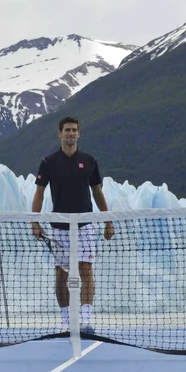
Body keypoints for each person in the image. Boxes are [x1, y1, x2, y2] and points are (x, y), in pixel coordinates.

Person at [31, 116, 114, 335]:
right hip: (59, 227)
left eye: (74, 130)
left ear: (79, 134)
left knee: (86, 270)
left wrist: (108, 221)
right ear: (59, 134)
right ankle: (66, 321)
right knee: (61, 273)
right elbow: (39, 192)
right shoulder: (48, 162)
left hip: (85, 225)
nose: (70, 133)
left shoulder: (89, 161)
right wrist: (34, 221)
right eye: (67, 130)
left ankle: (85, 320)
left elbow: (97, 191)